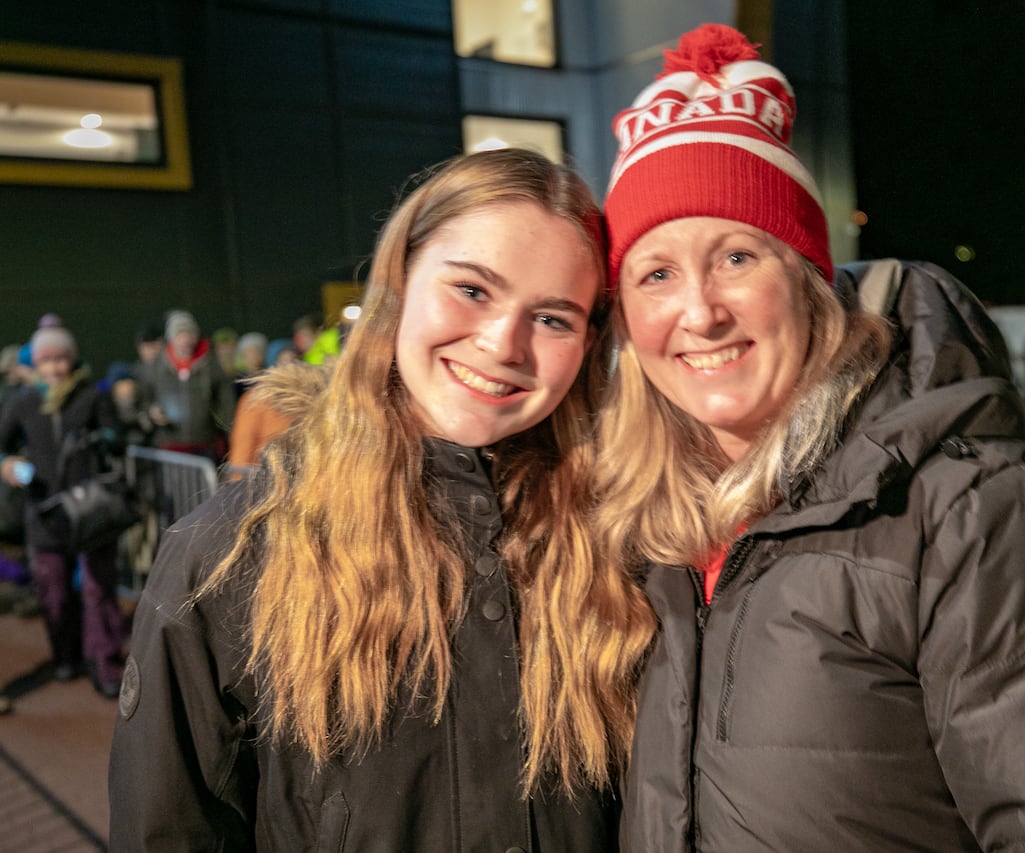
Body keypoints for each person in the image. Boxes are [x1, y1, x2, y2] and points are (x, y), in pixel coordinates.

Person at [594, 24, 1025, 851]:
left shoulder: (973, 510)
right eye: (656, 273)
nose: (699, 311)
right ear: (626, 318)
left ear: (807, 282)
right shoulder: (645, 528)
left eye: (737, 256)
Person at [108, 148, 654, 850]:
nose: (502, 342)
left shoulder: (618, 539)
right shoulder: (232, 554)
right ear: (399, 283)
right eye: (472, 290)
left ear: (590, 342)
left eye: (552, 318)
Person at [0, 326, 127, 698]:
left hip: (90, 508)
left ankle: (104, 662)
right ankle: (65, 655)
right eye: (46, 360)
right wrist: (7, 466)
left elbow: (117, 436)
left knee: (98, 588)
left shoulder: (91, 396)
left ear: (71, 360)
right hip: (44, 511)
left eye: (61, 359)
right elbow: (2, 446)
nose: (55, 368)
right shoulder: (22, 403)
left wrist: (101, 439)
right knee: (53, 591)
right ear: (36, 365)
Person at [137, 309, 236, 462]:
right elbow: (143, 401)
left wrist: (232, 438)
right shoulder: (155, 368)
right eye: (180, 335)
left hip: (205, 444)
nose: (185, 340)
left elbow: (227, 406)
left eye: (189, 334)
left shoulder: (211, 366)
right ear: (171, 338)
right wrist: (151, 413)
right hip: (169, 446)